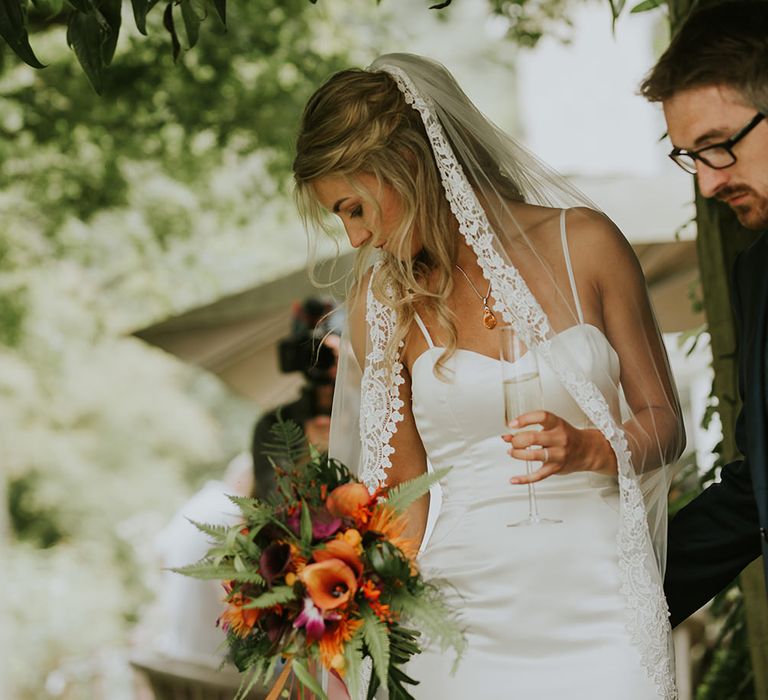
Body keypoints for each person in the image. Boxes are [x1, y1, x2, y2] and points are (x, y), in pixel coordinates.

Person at [293, 54, 685, 698]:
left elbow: (665, 424)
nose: (356, 236)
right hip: (461, 623)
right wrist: (340, 632)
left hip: (604, 608)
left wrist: (593, 447)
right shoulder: (385, 305)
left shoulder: (584, 243)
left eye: (355, 207)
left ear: (410, 168)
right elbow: (399, 500)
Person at [639, 0, 768, 627]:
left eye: (718, 147)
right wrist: (614, 609)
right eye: (691, 155)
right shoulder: (756, 274)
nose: (708, 183)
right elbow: (757, 494)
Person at [251, 297, 341, 500]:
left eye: (328, 353)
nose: (321, 360)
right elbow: (273, 500)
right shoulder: (275, 424)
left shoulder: (375, 414)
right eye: (313, 352)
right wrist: (305, 455)